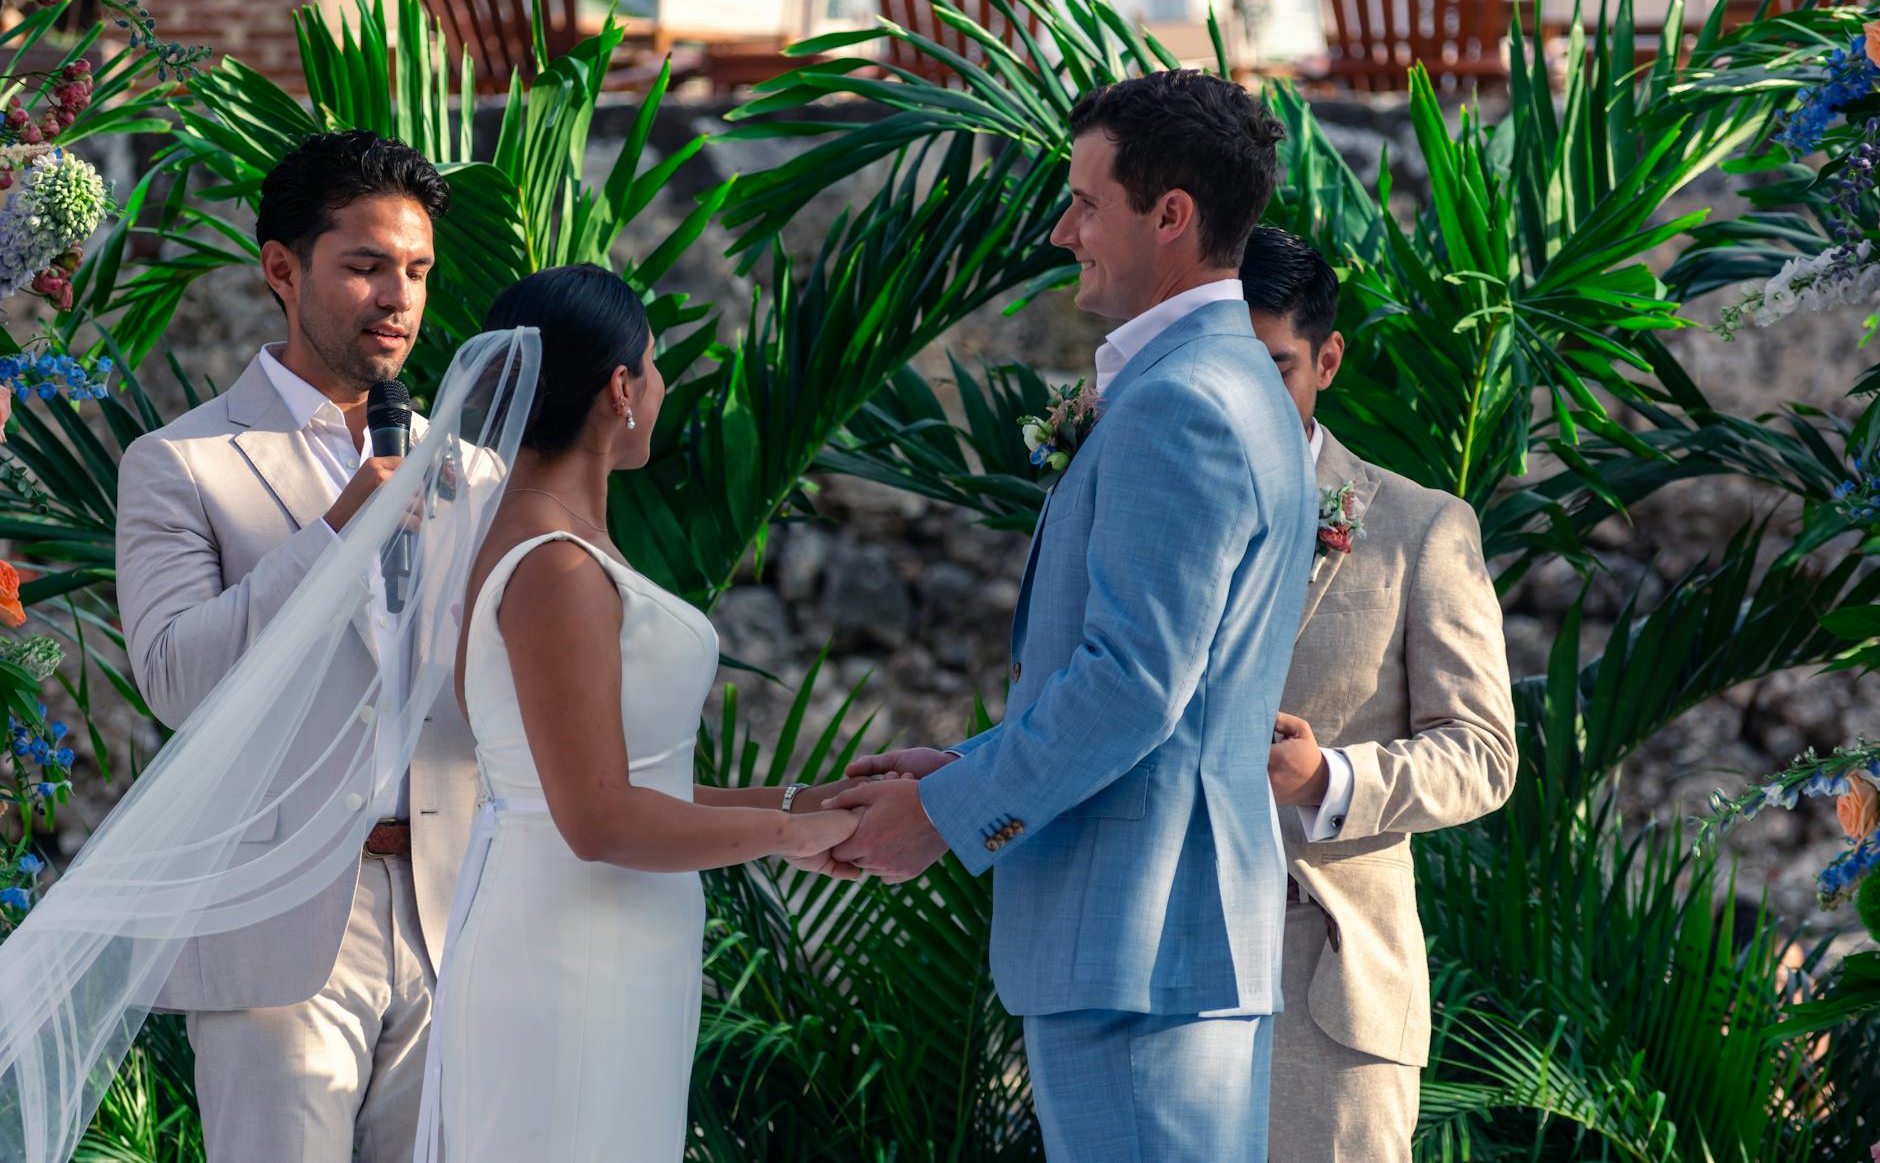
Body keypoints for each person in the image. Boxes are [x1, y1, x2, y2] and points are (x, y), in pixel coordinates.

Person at [837, 70, 1314, 1160]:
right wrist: (960, 758)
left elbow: (1133, 685)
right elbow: (1169, 684)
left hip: (1138, 946)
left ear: (1170, 215)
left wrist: (947, 812)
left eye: (1085, 203)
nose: (1062, 231)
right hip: (1164, 942)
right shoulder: (1226, 380)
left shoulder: (1182, 401)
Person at [420, 264, 863, 1162]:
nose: (658, 389)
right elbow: (597, 817)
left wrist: (803, 800)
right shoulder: (554, 566)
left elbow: (637, 781)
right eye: (654, 369)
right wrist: (783, 838)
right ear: (621, 388)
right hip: (571, 952)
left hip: (618, 941)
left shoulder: (565, 547)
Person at [114, 129, 465, 1162]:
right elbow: (179, 678)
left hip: (455, 920)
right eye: (363, 265)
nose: (395, 297)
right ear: (281, 268)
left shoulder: (474, 470)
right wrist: (339, 529)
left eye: (416, 270)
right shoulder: (180, 463)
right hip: (280, 919)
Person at [1238, 226, 1517, 1161]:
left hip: (1328, 987)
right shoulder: (1134, 502)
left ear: (1327, 360)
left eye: (1272, 370)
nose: (1242, 403)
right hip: (1149, 969)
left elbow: (1483, 752)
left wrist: (1331, 778)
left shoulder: (1421, 528)